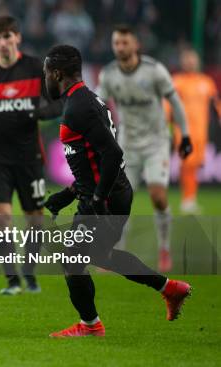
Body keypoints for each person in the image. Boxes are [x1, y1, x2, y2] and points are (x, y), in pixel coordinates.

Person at [43, 44, 192, 337]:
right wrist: (70, 193)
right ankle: (170, 288)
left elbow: (112, 153)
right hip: (109, 192)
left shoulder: (79, 107)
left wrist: (97, 198)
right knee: (101, 255)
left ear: (57, 73)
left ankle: (90, 325)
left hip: (105, 197)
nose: (45, 79)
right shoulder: (85, 101)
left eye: (47, 73)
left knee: (72, 260)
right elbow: (95, 161)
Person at [0, 15, 62, 295]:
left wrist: (37, 113)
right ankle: (12, 280)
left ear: (17, 38)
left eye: (8, 37)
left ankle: (29, 273)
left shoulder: (34, 68)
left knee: (35, 217)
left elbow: (59, 104)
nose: (2, 42)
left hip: (30, 156)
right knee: (0, 214)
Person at [97, 24, 193, 272]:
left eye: (124, 42)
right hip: (127, 145)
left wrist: (185, 135)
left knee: (158, 196)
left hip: (156, 143)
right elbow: (98, 106)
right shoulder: (108, 74)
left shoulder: (154, 71)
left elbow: (176, 102)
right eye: (116, 43)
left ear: (136, 44)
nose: (120, 47)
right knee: (119, 201)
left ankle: (164, 249)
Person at [170, 48, 220, 214]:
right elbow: (168, 105)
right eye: (187, 59)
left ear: (197, 61)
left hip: (201, 132)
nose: (190, 62)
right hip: (183, 131)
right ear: (183, 62)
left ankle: (190, 199)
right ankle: (187, 200)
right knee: (188, 163)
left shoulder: (207, 82)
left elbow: (215, 104)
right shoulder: (176, 81)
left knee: (195, 165)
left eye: (192, 59)